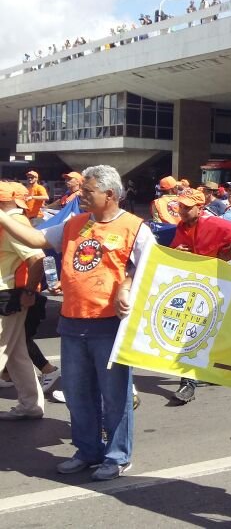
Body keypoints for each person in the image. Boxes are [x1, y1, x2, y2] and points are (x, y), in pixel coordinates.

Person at [0, 165, 153, 480]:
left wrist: (126, 287)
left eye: (87, 191)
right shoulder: (75, 224)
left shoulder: (135, 228)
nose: (80, 195)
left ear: (109, 194)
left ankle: (117, 456)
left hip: (110, 325)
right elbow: (37, 238)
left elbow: (149, 270)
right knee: (78, 393)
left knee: (115, 396)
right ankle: (87, 450)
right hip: (72, 322)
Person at [169, 189, 231, 404]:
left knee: (200, 330)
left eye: (187, 207)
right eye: (181, 207)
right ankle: (194, 378)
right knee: (193, 329)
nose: (183, 211)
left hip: (214, 283)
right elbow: (174, 252)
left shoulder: (214, 224)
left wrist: (225, 255)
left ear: (200, 207)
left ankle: (192, 380)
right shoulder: (182, 227)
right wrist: (178, 252)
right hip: (192, 285)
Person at [0, 183, 46, 420]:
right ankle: (31, 405)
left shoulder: (14, 223)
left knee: (4, 350)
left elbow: (37, 257)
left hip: (7, 296)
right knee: (17, 353)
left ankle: (31, 405)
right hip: (10, 295)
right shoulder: (14, 220)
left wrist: (29, 291)